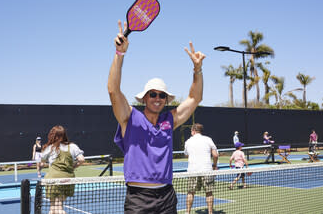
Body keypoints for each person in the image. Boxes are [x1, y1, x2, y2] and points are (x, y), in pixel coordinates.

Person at [108, 20, 205, 214]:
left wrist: (197, 70)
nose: (157, 98)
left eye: (162, 95)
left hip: (167, 197)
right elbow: (113, 90)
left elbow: (195, 98)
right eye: (152, 94)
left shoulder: (170, 119)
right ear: (144, 98)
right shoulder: (129, 117)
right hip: (138, 199)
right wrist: (120, 54)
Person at [41, 125, 85, 214]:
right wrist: (73, 166)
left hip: (52, 179)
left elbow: (42, 161)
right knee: (53, 208)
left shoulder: (50, 148)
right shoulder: (72, 146)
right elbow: (81, 159)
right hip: (68, 179)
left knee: (57, 208)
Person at [184, 123, 218, 214]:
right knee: (209, 192)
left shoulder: (188, 142)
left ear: (194, 131)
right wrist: (214, 165)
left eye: (191, 130)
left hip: (192, 171)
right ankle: (210, 212)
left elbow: (187, 154)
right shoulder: (208, 139)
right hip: (207, 170)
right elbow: (215, 155)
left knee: (190, 192)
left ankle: (187, 212)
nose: (191, 132)